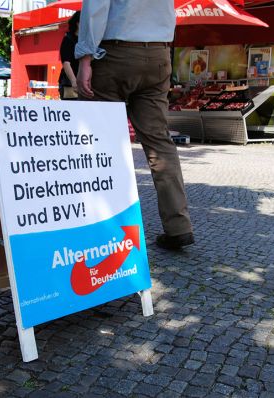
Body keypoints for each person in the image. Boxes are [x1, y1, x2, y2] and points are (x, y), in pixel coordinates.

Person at [75, 0, 194, 250]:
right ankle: (178, 226)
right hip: (158, 54)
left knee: (103, 142)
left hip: (115, 54)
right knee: (159, 142)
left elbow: (95, 8)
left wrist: (85, 57)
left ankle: (106, 227)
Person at [58, 11, 81, 100]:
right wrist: (74, 82)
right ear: (78, 23)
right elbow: (66, 63)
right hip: (69, 83)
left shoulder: (84, 40)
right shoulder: (68, 39)